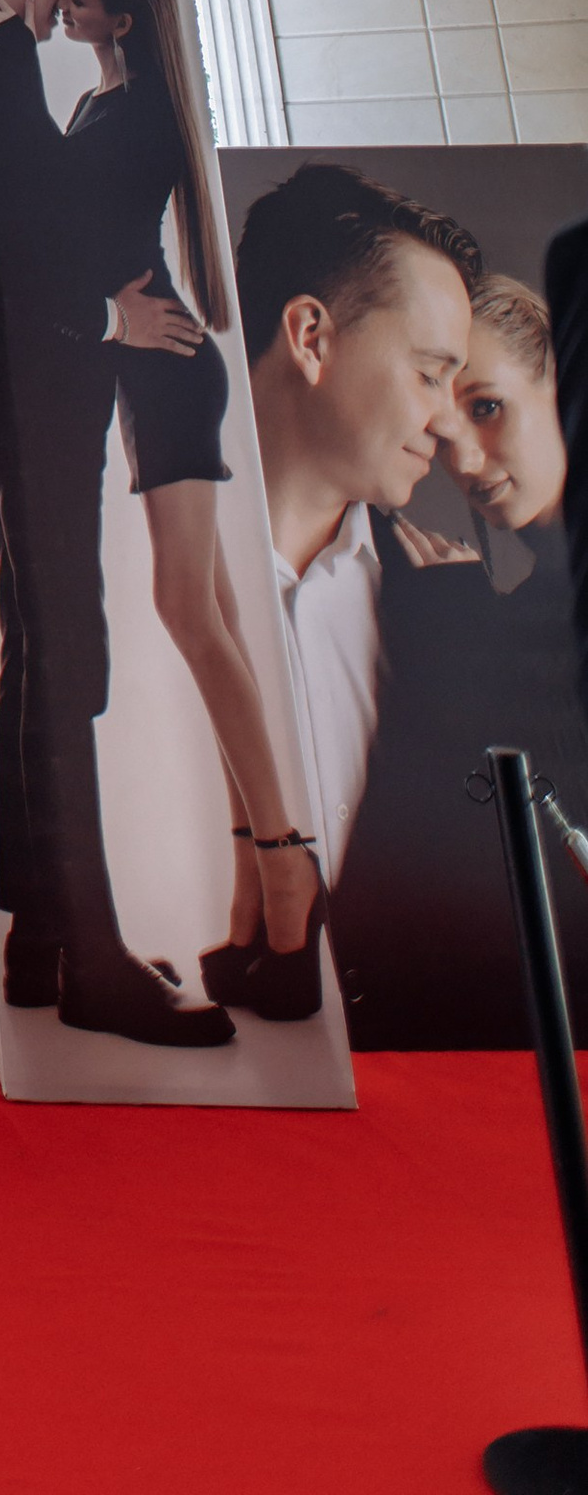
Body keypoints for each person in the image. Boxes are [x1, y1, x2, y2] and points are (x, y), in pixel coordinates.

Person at [0, 0, 231, 1049]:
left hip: (38, 400)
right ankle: (86, 953)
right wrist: (107, 314)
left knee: (47, 651)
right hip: (38, 398)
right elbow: (5, 259)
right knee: (60, 653)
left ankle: (45, 940)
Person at [57, 0, 318, 1008]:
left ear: (119, 19)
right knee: (207, 615)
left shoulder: (133, 117)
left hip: (164, 371)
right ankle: (258, 896)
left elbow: (84, 244)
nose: (64, 9)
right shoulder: (101, 108)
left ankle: (286, 863)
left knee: (190, 611)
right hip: (148, 369)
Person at [236, 163, 486, 1033]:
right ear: (310, 336)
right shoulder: (113, 577)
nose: (449, 424)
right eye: (429, 373)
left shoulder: (449, 608)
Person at [326, 264, 588, 1042]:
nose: (467, 463)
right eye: (444, 434)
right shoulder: (531, 589)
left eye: (488, 409)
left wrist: (458, 626)